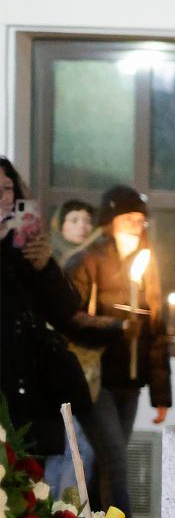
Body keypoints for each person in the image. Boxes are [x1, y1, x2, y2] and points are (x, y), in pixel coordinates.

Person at [62, 186, 171, 518]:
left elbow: (156, 331)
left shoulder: (147, 261)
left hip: (131, 382)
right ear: (110, 221)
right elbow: (68, 319)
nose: (136, 225)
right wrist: (117, 327)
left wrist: (161, 395)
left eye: (141, 220)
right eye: (128, 218)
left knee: (107, 466)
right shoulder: (86, 261)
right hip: (97, 381)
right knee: (116, 462)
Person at [0, 160, 92, 486]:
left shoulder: (26, 250)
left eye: (8, 188)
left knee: (32, 494)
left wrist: (46, 266)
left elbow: (66, 313)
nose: (3, 196)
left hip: (30, 397)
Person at [52, 198, 94, 265]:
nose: (82, 226)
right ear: (60, 226)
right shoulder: (45, 259)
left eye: (87, 221)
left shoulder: (96, 257)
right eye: (74, 220)